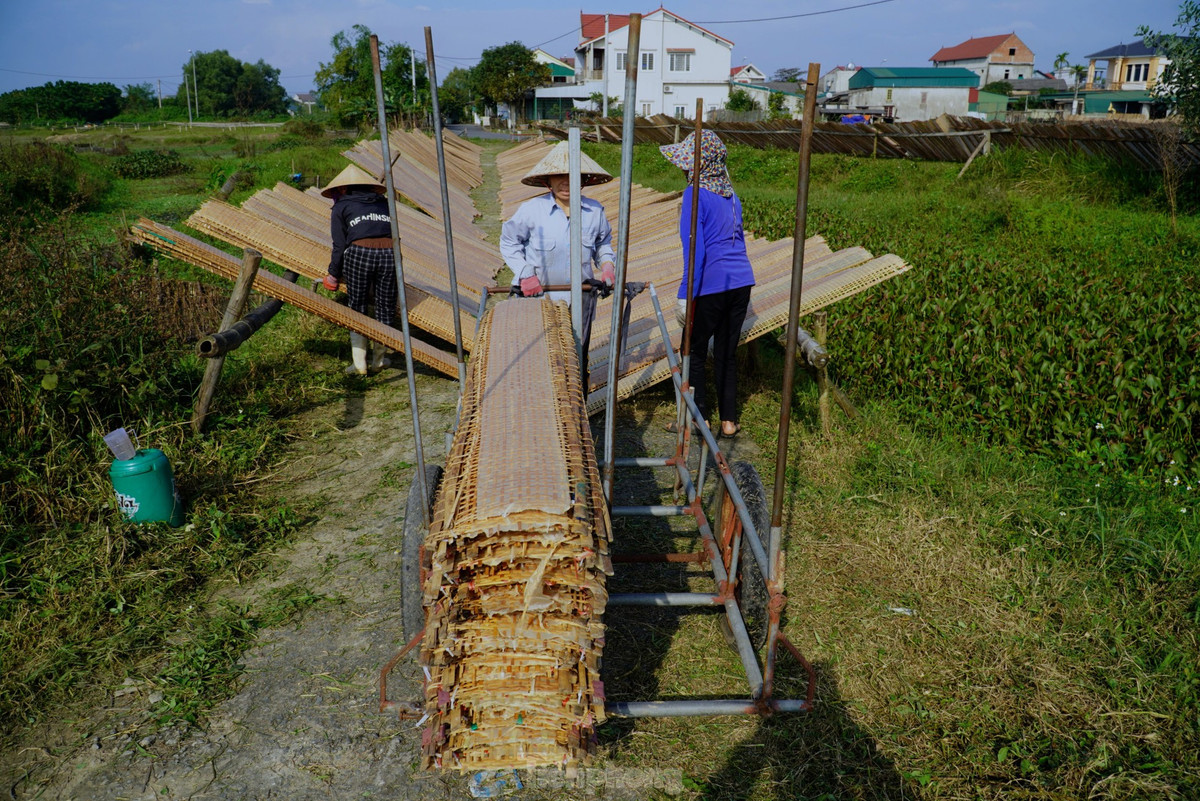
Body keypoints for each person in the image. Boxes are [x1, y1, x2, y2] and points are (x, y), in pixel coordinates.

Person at [659, 130, 755, 438]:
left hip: (712, 284)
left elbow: (695, 251)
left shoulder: (694, 194)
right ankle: (729, 421)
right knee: (726, 352)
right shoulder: (731, 195)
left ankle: (698, 418)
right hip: (741, 282)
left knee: (695, 351)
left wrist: (684, 294)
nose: (684, 170)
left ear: (698, 165)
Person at [499, 141, 617, 388]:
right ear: (548, 181)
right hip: (539, 297)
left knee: (576, 356)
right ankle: (540, 403)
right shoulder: (532, 210)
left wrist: (607, 264)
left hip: (580, 296)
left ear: (583, 180)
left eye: (573, 176)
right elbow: (509, 242)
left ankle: (576, 404)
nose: (566, 182)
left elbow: (602, 243)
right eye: (559, 176)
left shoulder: (594, 211)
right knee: (539, 356)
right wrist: (525, 273)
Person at [321, 163, 395, 375]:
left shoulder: (341, 207)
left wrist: (333, 274)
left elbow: (340, 245)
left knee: (357, 304)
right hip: (389, 253)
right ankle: (379, 360)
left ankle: (359, 364)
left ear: (343, 188)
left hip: (359, 253)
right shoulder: (384, 203)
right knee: (385, 306)